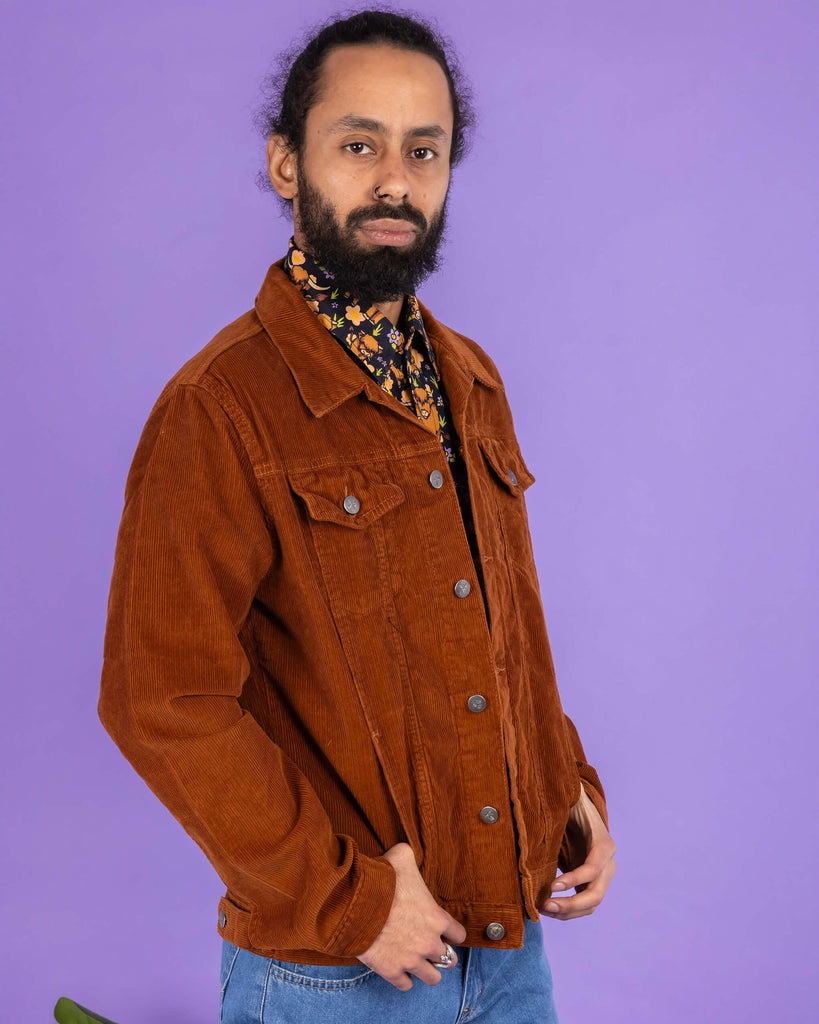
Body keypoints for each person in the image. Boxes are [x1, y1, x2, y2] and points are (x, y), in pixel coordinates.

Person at [98, 9, 616, 1023]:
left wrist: (568, 789)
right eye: (358, 144)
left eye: (424, 150)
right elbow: (161, 697)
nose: (395, 180)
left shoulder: (469, 377)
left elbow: (503, 633)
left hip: (511, 950)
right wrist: (352, 901)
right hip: (334, 972)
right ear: (286, 164)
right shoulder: (219, 406)